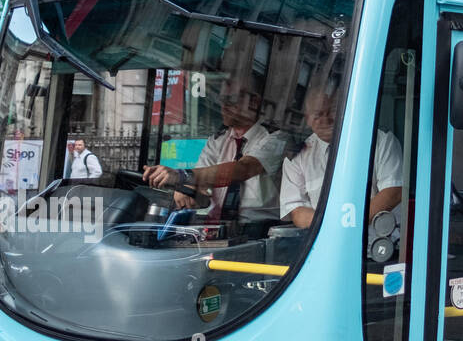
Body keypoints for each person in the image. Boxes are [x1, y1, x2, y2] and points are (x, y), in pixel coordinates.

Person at [144, 73, 288, 227]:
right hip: (216, 227)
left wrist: (182, 175)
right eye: (221, 100)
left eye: (230, 100)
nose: (224, 106)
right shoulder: (218, 140)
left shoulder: (276, 136)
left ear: (253, 101)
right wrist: (186, 190)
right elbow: (201, 185)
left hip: (259, 228)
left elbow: (244, 168)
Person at [280, 87, 402, 229]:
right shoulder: (298, 157)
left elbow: (393, 191)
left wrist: (348, 226)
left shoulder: (380, 141)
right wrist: (334, 228)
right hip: (329, 243)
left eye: (332, 111)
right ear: (308, 119)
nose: (326, 119)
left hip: (378, 243)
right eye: (318, 114)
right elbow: (297, 211)